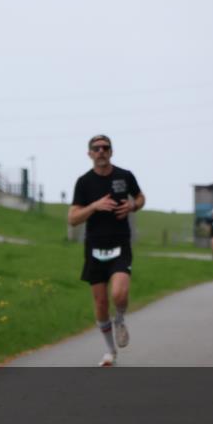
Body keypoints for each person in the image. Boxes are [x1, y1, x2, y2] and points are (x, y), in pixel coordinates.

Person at [68, 134, 146, 367]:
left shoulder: (124, 175)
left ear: (111, 152)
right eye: (96, 148)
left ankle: (120, 319)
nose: (101, 151)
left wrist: (132, 205)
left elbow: (141, 198)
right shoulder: (84, 182)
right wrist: (94, 206)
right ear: (90, 154)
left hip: (120, 243)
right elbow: (72, 219)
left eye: (105, 147)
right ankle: (110, 351)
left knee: (119, 294)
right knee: (101, 303)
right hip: (94, 247)